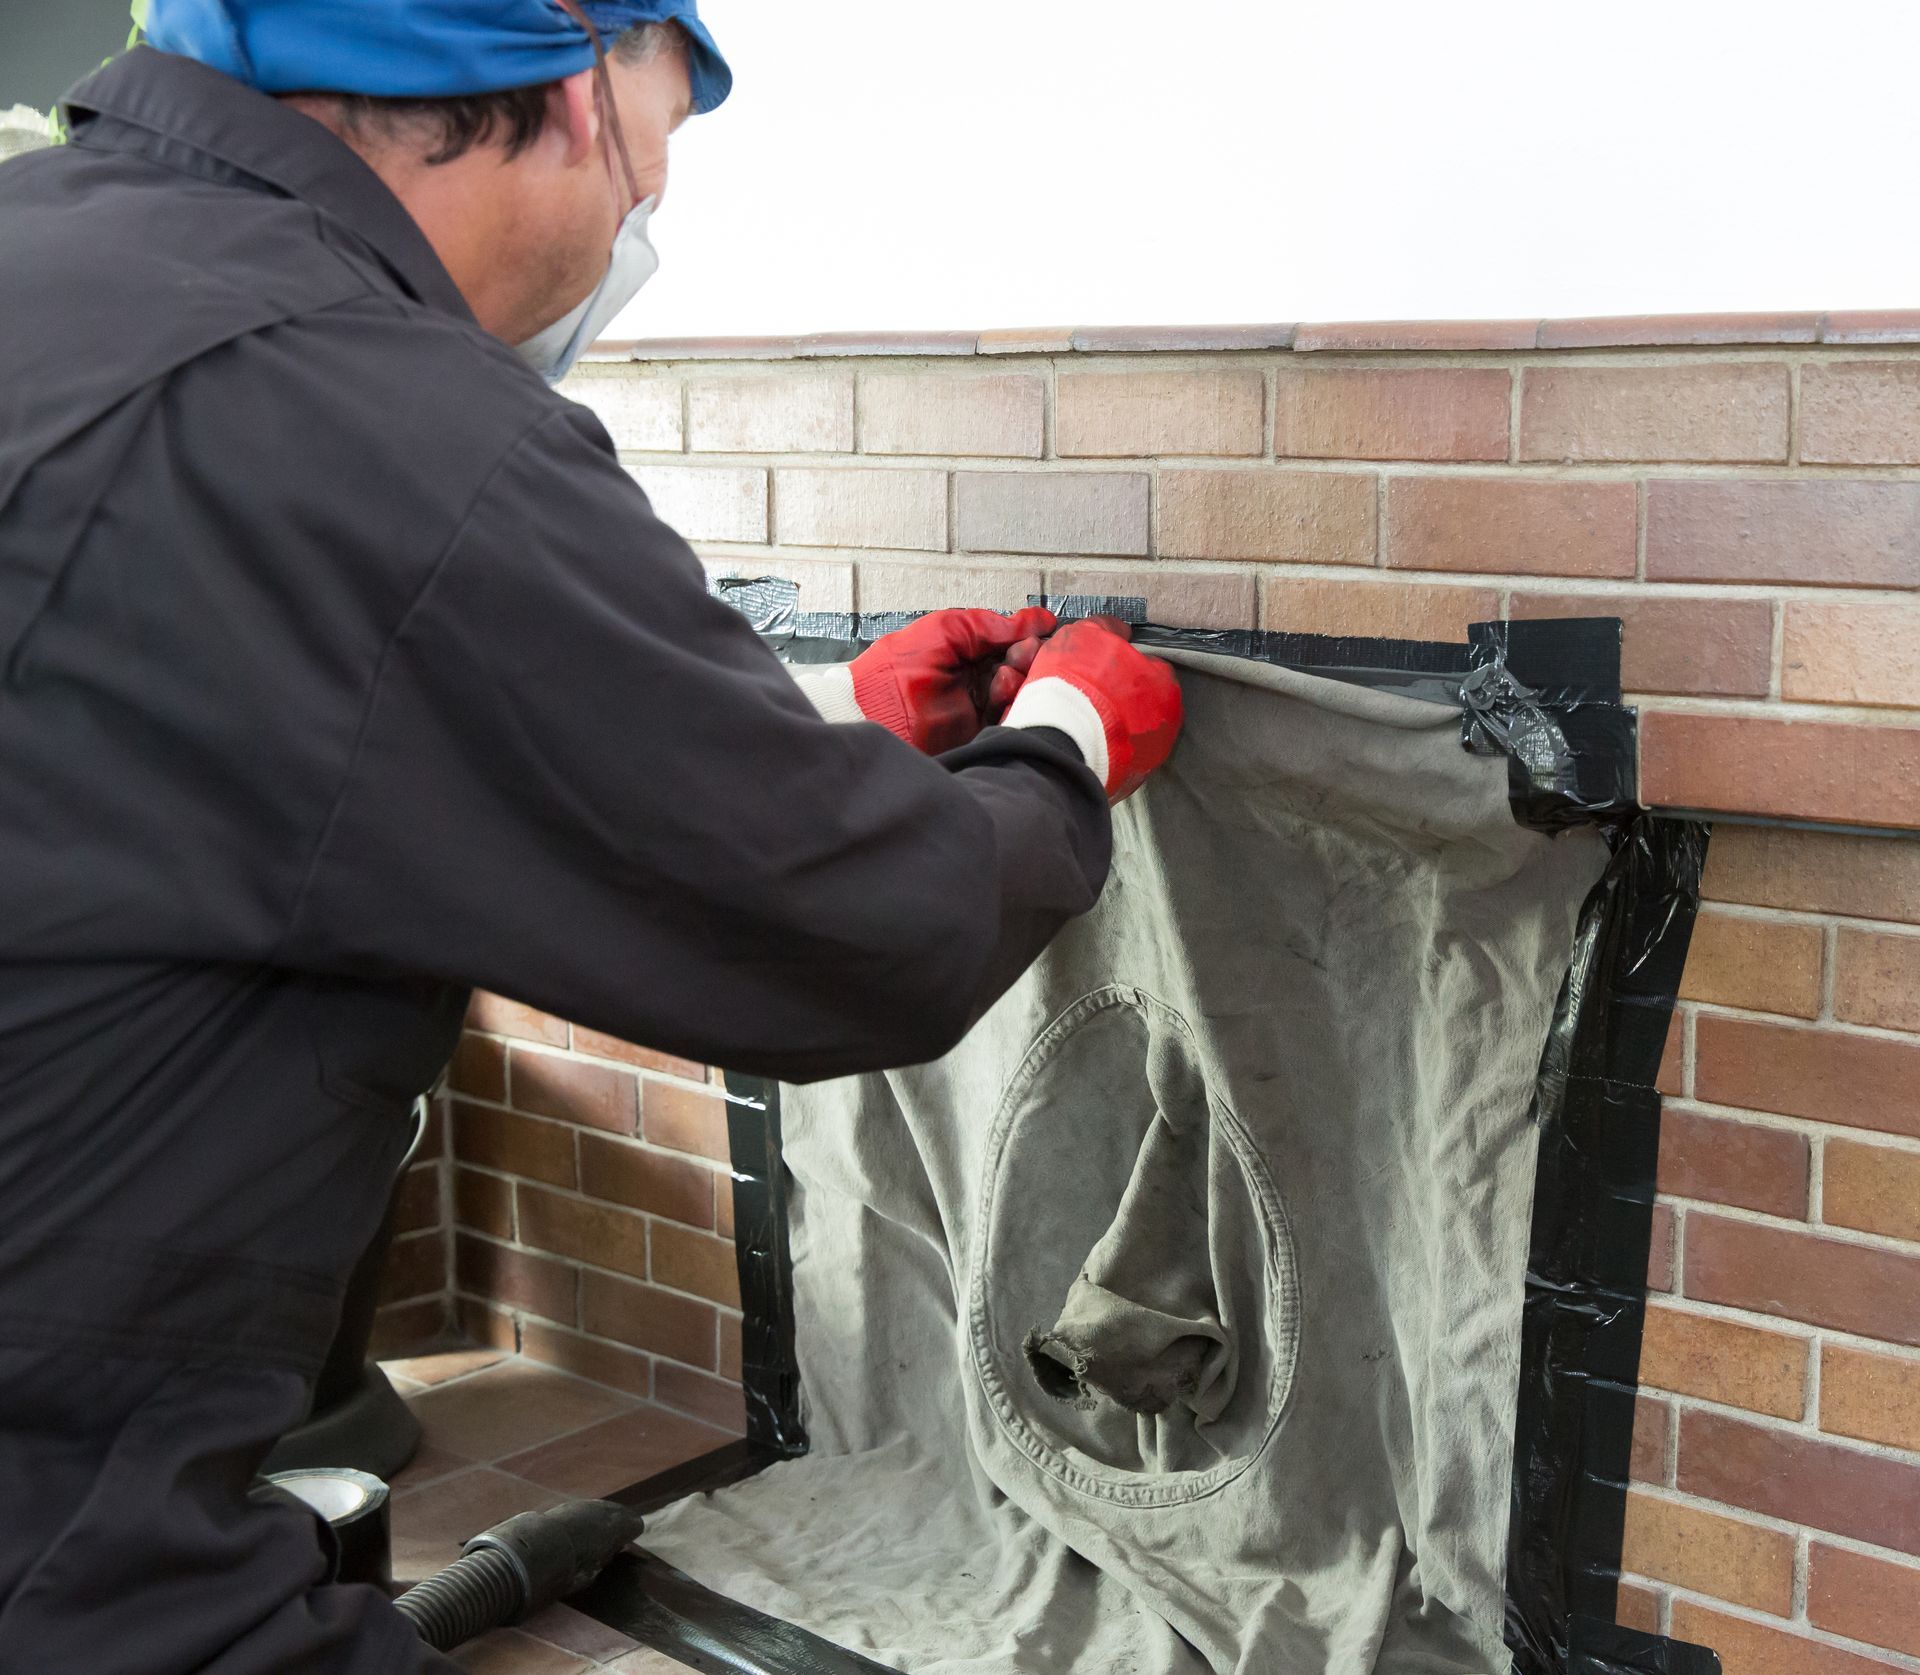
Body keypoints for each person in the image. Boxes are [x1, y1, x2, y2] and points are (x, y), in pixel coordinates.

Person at [0, 1, 1183, 1668]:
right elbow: (858, 932)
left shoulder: (55, 268)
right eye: (665, 140)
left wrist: (817, 729)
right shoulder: (371, 409)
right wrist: (1063, 744)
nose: (649, 209)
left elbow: (253, 747)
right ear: (572, 82)